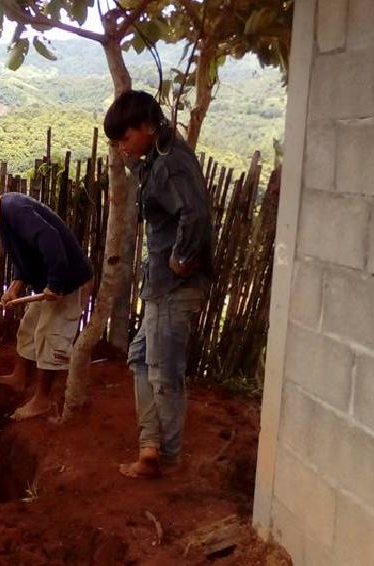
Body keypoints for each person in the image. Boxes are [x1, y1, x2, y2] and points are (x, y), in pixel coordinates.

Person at [103, 90, 212, 479]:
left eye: (125, 138)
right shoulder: (159, 154)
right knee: (140, 358)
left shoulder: (170, 164)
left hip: (173, 287)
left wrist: (181, 259)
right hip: (161, 286)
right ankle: (150, 446)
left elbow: (195, 214)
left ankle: (165, 460)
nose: (122, 148)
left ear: (147, 126)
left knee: (164, 373)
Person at [0, 179, 93, 421]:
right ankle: (20, 377)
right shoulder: (3, 216)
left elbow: (51, 239)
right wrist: (16, 286)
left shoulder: (15, 211)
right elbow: (26, 256)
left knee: (49, 335)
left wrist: (56, 283)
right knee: (29, 328)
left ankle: (42, 399)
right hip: (48, 281)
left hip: (68, 281)